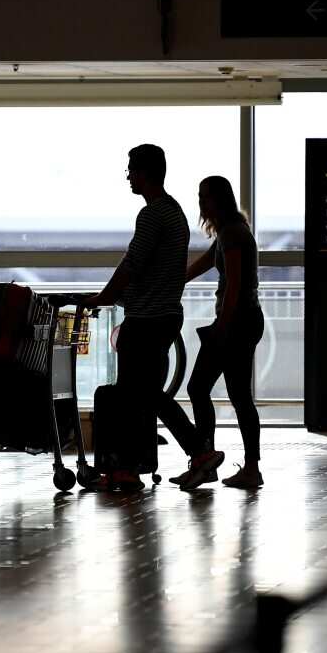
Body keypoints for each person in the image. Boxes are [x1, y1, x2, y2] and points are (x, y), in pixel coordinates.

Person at [84, 145, 225, 491]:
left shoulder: (151, 215)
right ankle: (136, 467)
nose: (128, 175)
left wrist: (105, 297)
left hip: (146, 318)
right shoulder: (174, 212)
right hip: (165, 315)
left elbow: (132, 264)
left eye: (132, 169)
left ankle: (146, 465)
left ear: (147, 172)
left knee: (137, 394)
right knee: (144, 395)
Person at [168, 175, 265, 491]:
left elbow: (235, 283)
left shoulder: (233, 234)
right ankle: (243, 467)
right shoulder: (228, 232)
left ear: (220, 200)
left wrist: (222, 326)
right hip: (242, 321)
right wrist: (168, 284)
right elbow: (198, 267)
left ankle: (207, 460)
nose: (200, 203)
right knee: (237, 396)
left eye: (205, 197)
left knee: (198, 387)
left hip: (236, 322)